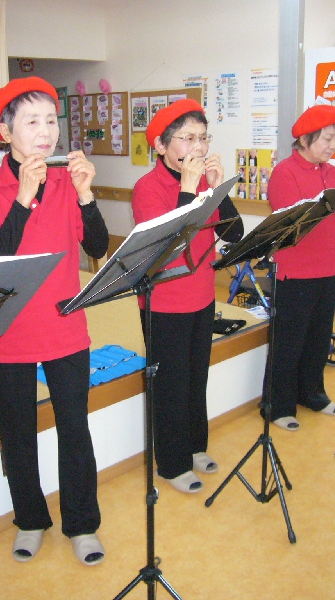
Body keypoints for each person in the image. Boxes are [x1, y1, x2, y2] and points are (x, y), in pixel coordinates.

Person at [0, 77, 109, 565]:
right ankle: (29, 519)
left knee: (75, 430)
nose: (46, 131)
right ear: (6, 131)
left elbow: (97, 246)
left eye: (51, 120)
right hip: (6, 333)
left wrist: (87, 195)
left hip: (65, 325)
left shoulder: (68, 181)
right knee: (17, 434)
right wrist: (23, 197)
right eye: (32, 121)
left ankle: (82, 524)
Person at [131, 99, 244, 493]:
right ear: (161, 146)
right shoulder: (147, 188)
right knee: (171, 385)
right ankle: (171, 463)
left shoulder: (204, 185)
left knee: (197, 379)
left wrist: (218, 189)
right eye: (187, 138)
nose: (198, 147)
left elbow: (234, 233)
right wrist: (187, 190)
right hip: (164, 303)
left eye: (203, 138)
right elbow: (167, 248)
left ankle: (195, 446)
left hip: (202, 295)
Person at [264, 104, 335, 431]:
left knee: (318, 337)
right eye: (327, 139)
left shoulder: (332, 172)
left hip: (330, 267)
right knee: (289, 342)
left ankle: (312, 393)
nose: (333, 146)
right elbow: (293, 225)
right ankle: (277, 406)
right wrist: (330, 204)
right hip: (296, 271)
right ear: (305, 138)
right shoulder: (285, 173)